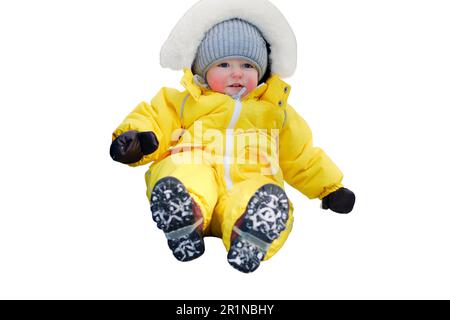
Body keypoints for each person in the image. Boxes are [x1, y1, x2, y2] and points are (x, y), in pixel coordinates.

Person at [110, 0, 355, 273]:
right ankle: (184, 212)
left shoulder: (275, 112)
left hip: (251, 179)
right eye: (224, 64)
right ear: (202, 69)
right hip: (197, 167)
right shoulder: (186, 102)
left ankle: (250, 233)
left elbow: (301, 155)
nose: (237, 72)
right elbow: (154, 117)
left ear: (262, 71)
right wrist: (136, 141)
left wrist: (330, 187)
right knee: (183, 170)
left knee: (264, 197)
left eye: (248, 66)